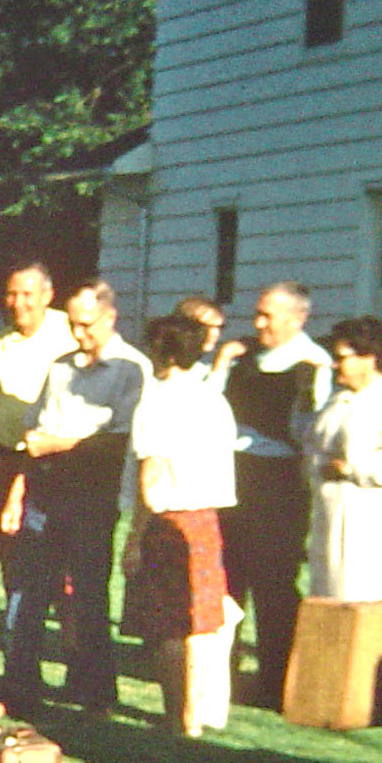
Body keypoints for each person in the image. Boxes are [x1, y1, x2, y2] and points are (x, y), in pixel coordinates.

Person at [0, 280, 148, 720]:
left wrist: (58, 445)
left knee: (89, 596)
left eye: (86, 326)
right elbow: (32, 432)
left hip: (92, 494)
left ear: (110, 318)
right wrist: (19, 490)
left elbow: (118, 441)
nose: (79, 336)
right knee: (27, 594)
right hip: (44, 489)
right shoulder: (60, 367)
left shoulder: (131, 369)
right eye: (74, 326)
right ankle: (17, 691)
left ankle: (96, 695)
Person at [216, 281, 332, 709]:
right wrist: (224, 363)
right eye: (258, 314)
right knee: (228, 577)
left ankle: (276, 679)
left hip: (279, 482)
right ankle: (220, 673)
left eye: (268, 315)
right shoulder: (245, 358)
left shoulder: (314, 364)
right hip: (235, 475)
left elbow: (311, 434)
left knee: (274, 582)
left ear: (298, 318)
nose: (258, 323)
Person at [121, 314, 237, 736]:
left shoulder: (157, 402)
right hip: (208, 520)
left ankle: (177, 717)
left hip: (170, 522)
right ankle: (199, 714)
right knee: (203, 621)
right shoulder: (214, 399)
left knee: (169, 623)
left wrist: (135, 537)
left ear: (161, 352)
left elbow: (150, 480)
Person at [304, 317, 382, 602]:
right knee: (325, 596)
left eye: (341, 357)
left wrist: (350, 469)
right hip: (329, 515)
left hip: (368, 519)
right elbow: (311, 440)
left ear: (369, 357)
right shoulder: (338, 400)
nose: (335, 365)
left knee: (359, 598)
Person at [0, 263, 76, 594]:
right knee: (11, 547)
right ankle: (18, 630)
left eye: (27, 294)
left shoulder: (70, 334)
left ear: (47, 296)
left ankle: (68, 635)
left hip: (57, 460)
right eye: (11, 294)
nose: (18, 302)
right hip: (7, 458)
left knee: (62, 552)